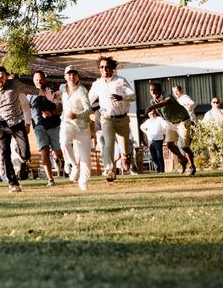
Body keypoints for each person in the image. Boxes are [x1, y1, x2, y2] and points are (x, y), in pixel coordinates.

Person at [0, 66, 32, 193]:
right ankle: (13, 183)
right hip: (1, 125)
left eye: (2, 77)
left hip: (17, 123)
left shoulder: (14, 84)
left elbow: (30, 89)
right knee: (5, 155)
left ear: (6, 77)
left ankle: (22, 155)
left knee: (25, 154)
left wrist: (44, 92)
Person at [88, 56, 136, 184]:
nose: (104, 69)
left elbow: (133, 96)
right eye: (101, 67)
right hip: (107, 119)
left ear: (112, 68)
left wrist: (121, 97)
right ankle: (110, 170)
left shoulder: (120, 81)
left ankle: (126, 156)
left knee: (124, 148)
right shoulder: (97, 84)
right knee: (108, 144)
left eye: (107, 67)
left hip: (122, 119)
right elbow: (88, 101)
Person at [145, 82, 196, 176]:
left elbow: (166, 102)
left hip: (182, 121)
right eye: (151, 90)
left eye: (155, 89)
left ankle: (192, 167)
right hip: (171, 123)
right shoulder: (152, 101)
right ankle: (183, 159)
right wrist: (164, 117)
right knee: (169, 144)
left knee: (184, 146)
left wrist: (153, 106)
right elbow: (158, 111)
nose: (153, 92)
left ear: (160, 90)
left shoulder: (167, 96)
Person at [28, 71, 64, 187]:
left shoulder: (53, 92)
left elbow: (60, 108)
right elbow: (25, 110)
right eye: (36, 80)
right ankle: (50, 180)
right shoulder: (29, 95)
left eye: (41, 79)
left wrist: (51, 112)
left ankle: (61, 161)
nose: (39, 82)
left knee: (58, 152)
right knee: (44, 151)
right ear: (33, 81)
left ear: (45, 79)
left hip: (54, 125)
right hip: (38, 126)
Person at [58, 65, 92, 191]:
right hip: (67, 123)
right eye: (69, 74)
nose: (71, 77)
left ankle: (83, 181)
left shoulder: (82, 90)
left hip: (82, 127)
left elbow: (88, 110)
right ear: (65, 76)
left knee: (85, 158)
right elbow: (60, 99)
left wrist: (76, 115)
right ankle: (74, 165)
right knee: (64, 143)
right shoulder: (62, 88)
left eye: (74, 74)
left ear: (77, 77)